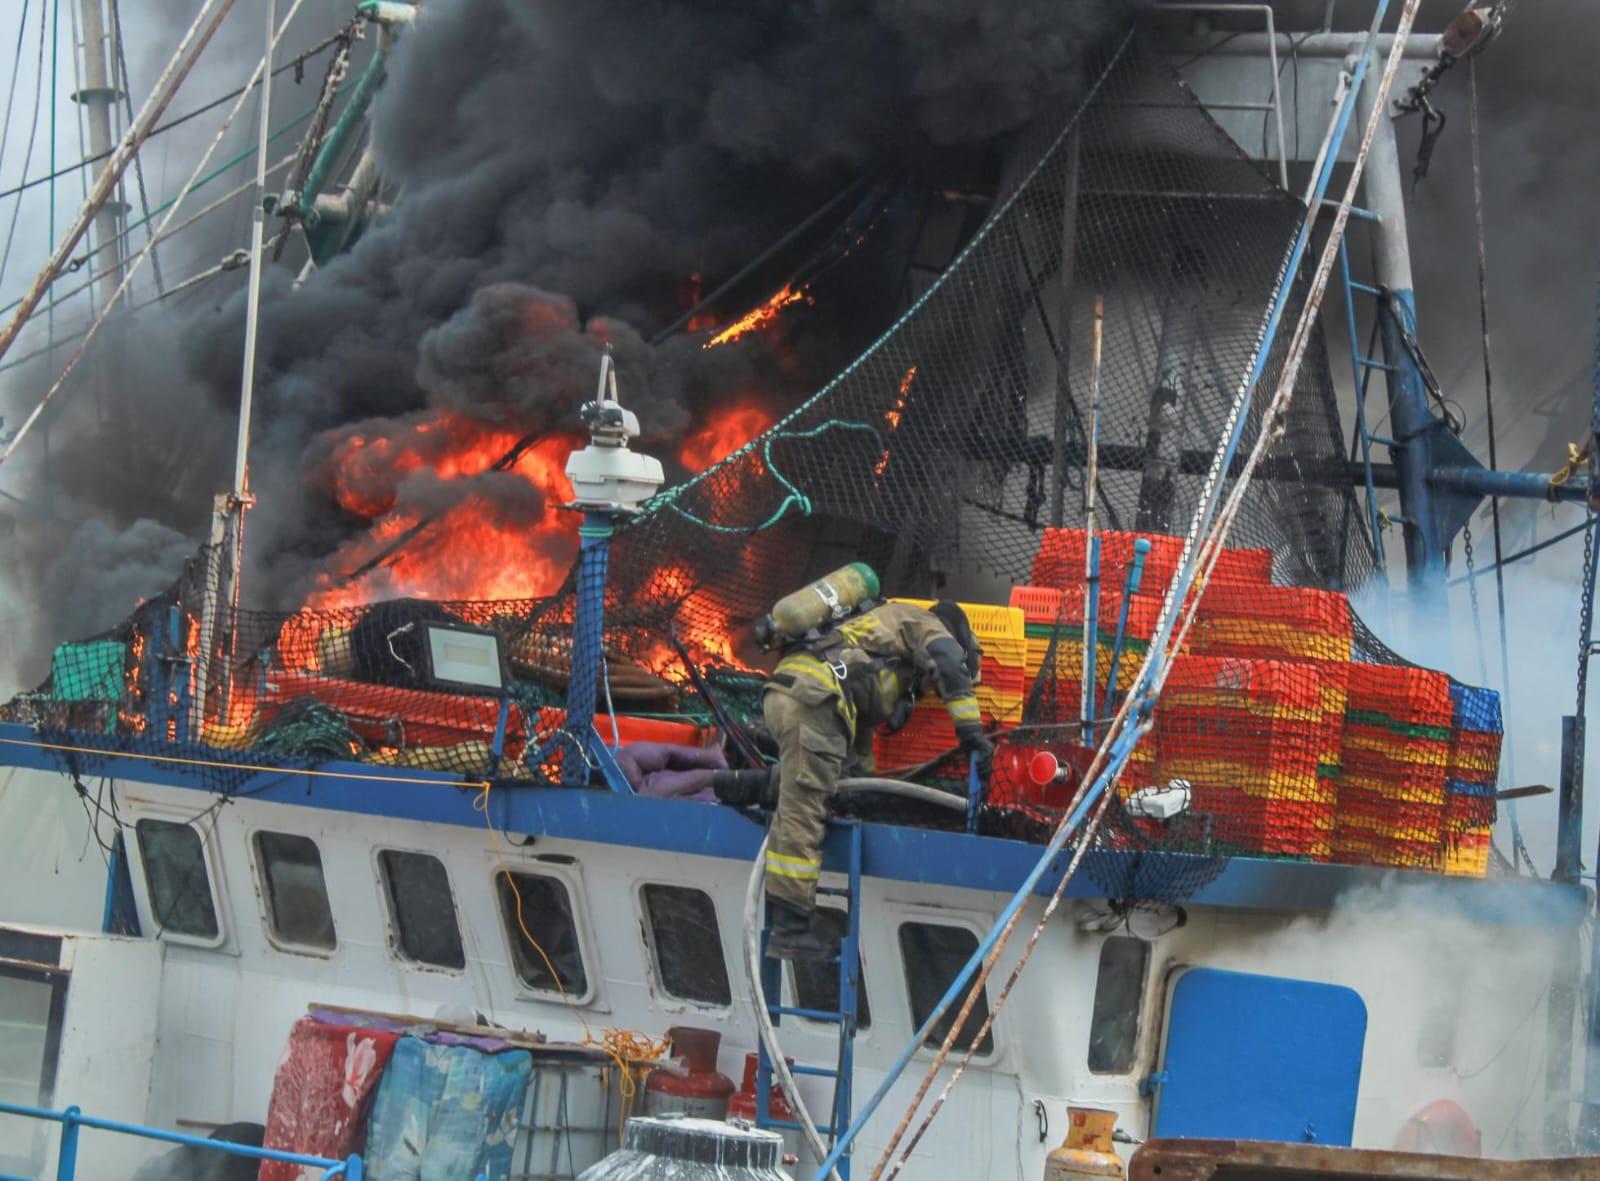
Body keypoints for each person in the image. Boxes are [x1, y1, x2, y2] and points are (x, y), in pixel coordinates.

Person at [758, 599, 990, 960]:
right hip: (811, 699)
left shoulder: (885, 653)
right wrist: (972, 733)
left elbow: (859, 727)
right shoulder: (926, 623)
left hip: (806, 696)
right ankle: (790, 930)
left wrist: (861, 788)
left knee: (808, 796)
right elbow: (947, 661)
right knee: (804, 805)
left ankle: (791, 919)